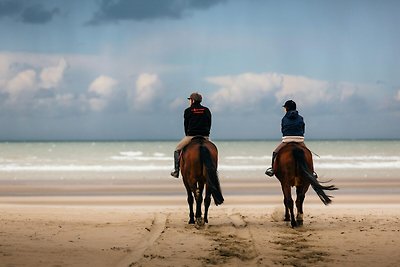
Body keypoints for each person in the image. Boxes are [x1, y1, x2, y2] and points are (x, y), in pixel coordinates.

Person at [170, 92, 212, 178]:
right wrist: (207, 134)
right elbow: (209, 123)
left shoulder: (188, 111)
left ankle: (176, 171)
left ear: (192, 101)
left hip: (191, 136)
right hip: (205, 136)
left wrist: (187, 135)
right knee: (211, 151)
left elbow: (186, 125)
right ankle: (213, 169)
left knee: (177, 150)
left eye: (190, 100)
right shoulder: (206, 110)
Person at [265, 100, 306, 177]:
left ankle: (272, 169)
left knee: (275, 153)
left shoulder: (284, 118)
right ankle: (312, 171)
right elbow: (303, 129)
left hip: (287, 140)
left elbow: (283, 130)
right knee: (308, 154)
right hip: (299, 139)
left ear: (287, 108)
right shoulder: (301, 118)